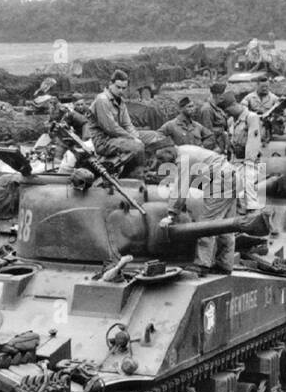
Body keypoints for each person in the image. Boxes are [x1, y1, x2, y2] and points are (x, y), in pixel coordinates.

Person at [160, 142, 239, 274]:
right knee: (226, 225)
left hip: (221, 180)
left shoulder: (183, 158)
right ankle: (224, 264)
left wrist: (171, 214)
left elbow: (181, 188)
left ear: (168, 151)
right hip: (232, 174)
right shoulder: (186, 149)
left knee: (207, 224)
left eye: (161, 158)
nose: (160, 163)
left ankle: (202, 264)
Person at [86, 70, 146, 176]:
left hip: (117, 139)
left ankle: (145, 169)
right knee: (136, 147)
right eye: (118, 87)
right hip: (104, 142)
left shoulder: (120, 101)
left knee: (153, 136)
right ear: (110, 84)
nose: (121, 90)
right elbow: (110, 128)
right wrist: (133, 139)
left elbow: (127, 124)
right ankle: (133, 176)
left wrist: (137, 136)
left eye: (124, 88)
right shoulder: (102, 100)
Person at [194, 83, 231, 152]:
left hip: (221, 144)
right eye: (223, 94)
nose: (225, 97)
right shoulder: (207, 109)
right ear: (217, 95)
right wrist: (216, 148)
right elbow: (208, 133)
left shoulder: (217, 108)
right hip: (214, 148)